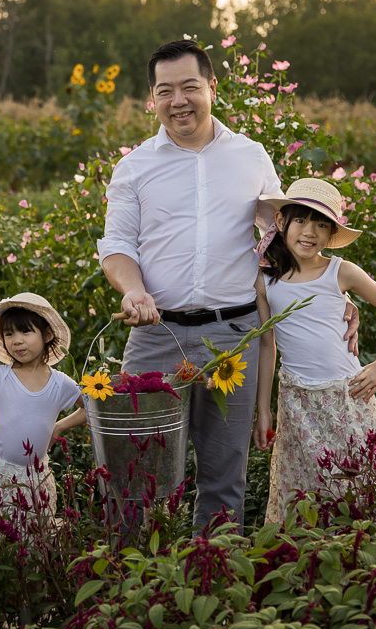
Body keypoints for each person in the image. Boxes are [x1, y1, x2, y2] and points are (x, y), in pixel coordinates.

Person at [98, 39, 358, 530]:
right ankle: (132, 594)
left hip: (233, 339)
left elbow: (286, 243)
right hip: (157, 337)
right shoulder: (134, 168)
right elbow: (117, 248)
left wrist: (334, 293)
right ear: (151, 100)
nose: (179, 101)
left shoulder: (250, 156)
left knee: (223, 478)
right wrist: (133, 290)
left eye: (190, 87)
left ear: (212, 88)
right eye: (165, 90)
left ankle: (211, 589)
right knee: (138, 475)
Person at [252, 178, 376, 524]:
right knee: (307, 489)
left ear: (331, 233)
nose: (310, 232)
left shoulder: (340, 272)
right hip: (297, 402)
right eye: (301, 220)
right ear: (280, 223)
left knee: (365, 483)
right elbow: (266, 344)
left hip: (348, 397)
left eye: (321, 224)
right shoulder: (266, 281)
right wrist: (263, 409)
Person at [0, 293, 86, 514]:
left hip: (33, 478)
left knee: (29, 535)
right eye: (9, 334)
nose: (16, 340)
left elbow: (89, 409)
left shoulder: (61, 384)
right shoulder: (0, 377)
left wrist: (59, 427)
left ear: (47, 334)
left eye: (26, 331)